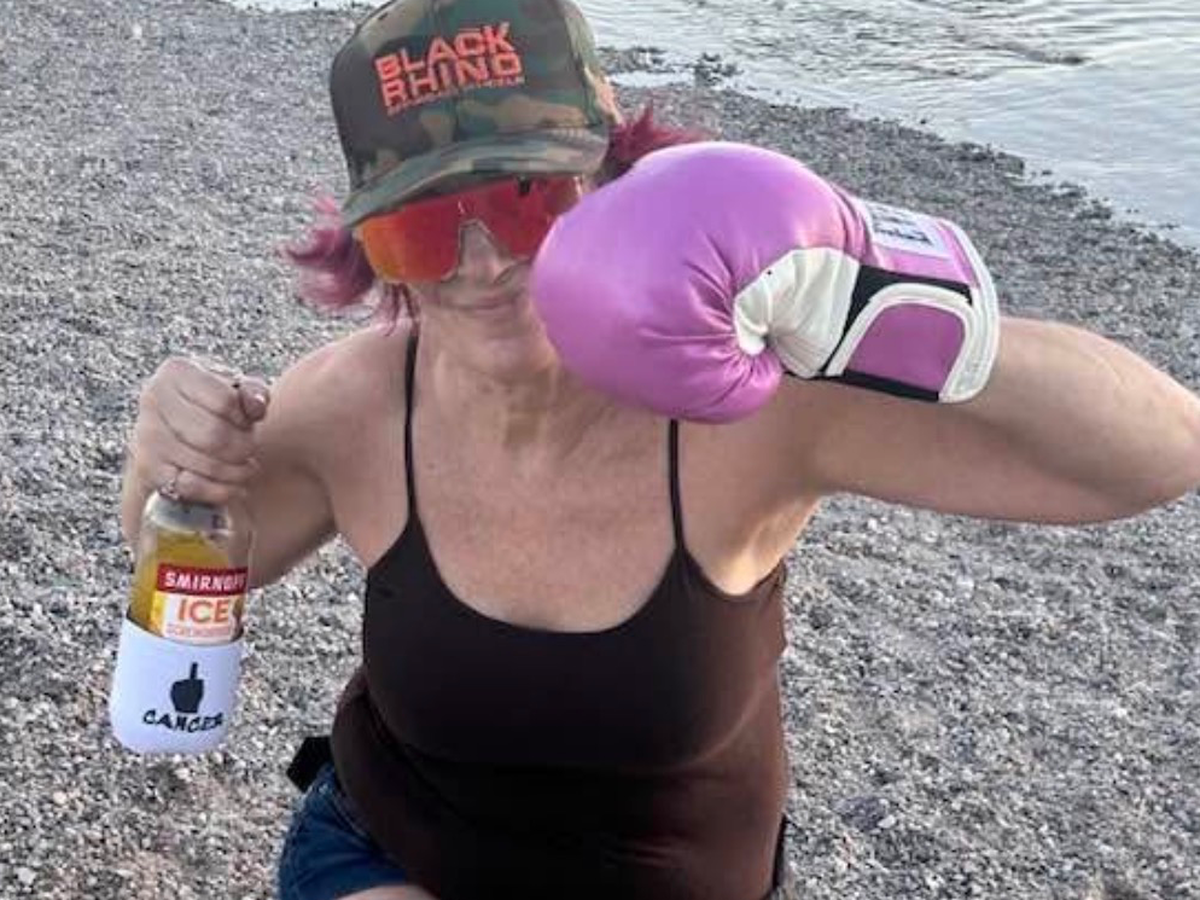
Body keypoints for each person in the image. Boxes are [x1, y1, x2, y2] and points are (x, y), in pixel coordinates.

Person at [117, 0, 1200, 897]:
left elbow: (1159, 453)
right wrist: (164, 464)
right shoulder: (356, 404)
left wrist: (866, 285)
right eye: (422, 228)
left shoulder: (757, 406)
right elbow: (196, 562)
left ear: (616, 177)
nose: (482, 264)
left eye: (527, 198)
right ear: (371, 250)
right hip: (386, 853)